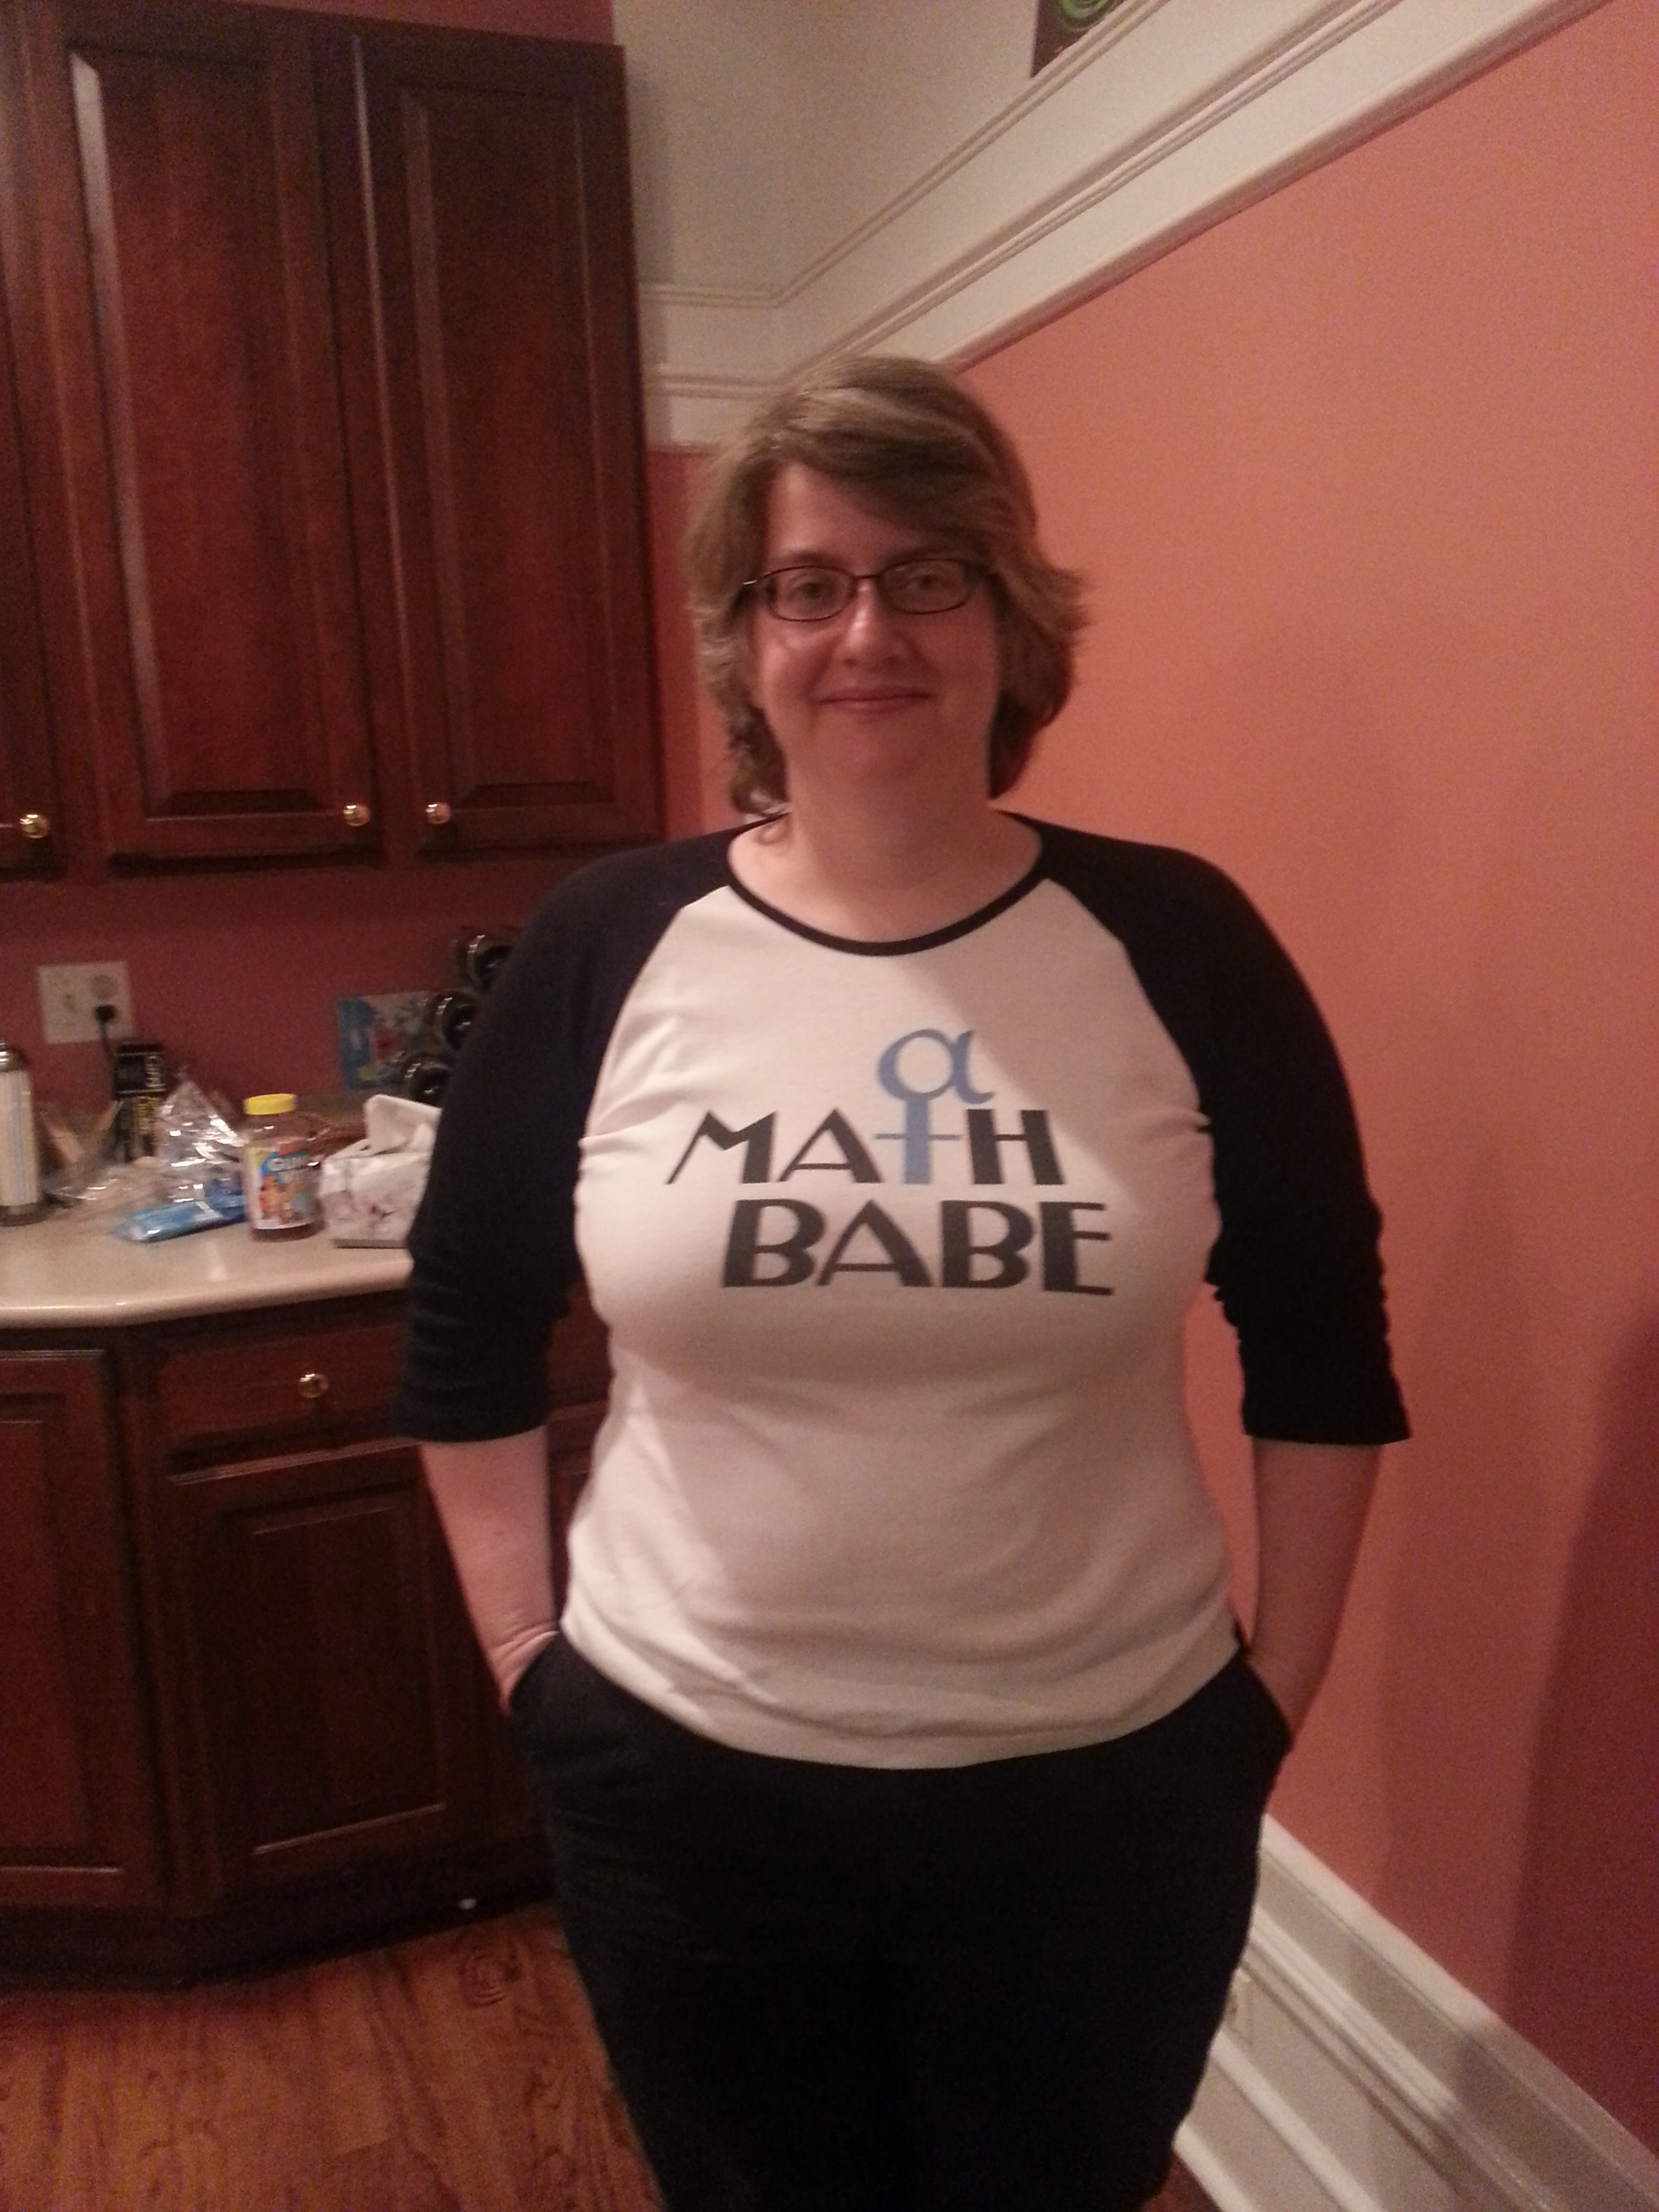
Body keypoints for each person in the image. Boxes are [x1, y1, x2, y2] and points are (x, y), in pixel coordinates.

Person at [393, 354, 1408, 2212]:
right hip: (686, 1789)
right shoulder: (614, 939)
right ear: (747, 638)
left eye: (927, 575)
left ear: (1007, 619)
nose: (868, 631)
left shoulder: (1175, 935)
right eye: (810, 583)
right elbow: (465, 1320)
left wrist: (1272, 1696)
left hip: (1102, 1794)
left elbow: (1323, 1341)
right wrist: (533, 1667)